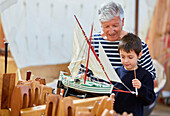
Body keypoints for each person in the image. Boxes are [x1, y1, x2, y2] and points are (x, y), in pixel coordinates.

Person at [79, 1, 156, 80]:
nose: (111, 31)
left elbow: (151, 75)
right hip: (97, 90)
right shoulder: (92, 42)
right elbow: (83, 71)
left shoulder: (138, 44)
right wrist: (83, 77)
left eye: (115, 26)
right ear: (101, 24)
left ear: (122, 22)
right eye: (106, 26)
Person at [113, 33, 156, 116]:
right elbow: (109, 92)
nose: (126, 61)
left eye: (130, 57)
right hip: (115, 113)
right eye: (122, 57)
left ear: (139, 55)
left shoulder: (145, 75)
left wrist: (141, 87)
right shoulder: (115, 72)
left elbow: (150, 99)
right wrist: (109, 98)